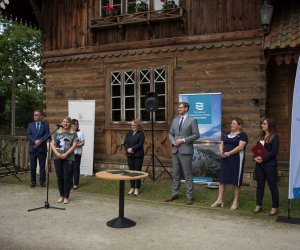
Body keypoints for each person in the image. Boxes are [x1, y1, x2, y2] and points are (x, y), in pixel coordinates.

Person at [165, 102, 200, 205]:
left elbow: (196, 135)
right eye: (178, 107)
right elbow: (170, 133)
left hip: (186, 151)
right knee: (176, 174)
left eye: (181, 107)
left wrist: (183, 140)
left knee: (187, 174)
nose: (179, 109)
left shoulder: (192, 120)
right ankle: (174, 193)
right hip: (175, 150)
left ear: (186, 108)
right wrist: (172, 141)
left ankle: (189, 196)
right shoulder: (175, 120)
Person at [211, 118, 248, 210]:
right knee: (223, 179)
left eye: (234, 124)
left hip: (236, 159)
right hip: (225, 158)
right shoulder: (227, 134)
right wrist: (222, 152)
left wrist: (228, 153)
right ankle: (219, 200)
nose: (231, 125)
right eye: (231, 123)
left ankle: (235, 202)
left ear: (239, 126)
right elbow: (221, 143)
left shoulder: (242, 135)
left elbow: (240, 147)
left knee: (236, 180)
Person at [253, 118, 279, 216]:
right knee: (260, 186)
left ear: (269, 125)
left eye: (264, 124)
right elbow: (256, 150)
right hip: (259, 166)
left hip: (270, 165)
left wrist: (263, 158)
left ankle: (274, 207)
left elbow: (273, 152)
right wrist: (255, 158)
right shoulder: (261, 136)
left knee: (272, 186)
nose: (262, 125)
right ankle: (258, 205)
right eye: (262, 124)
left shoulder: (275, 137)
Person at [50, 116, 77, 204]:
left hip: (68, 158)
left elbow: (74, 145)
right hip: (57, 157)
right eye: (64, 122)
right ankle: (61, 195)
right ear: (62, 123)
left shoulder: (73, 133)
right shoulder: (57, 132)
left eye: (67, 122)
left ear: (70, 124)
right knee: (59, 177)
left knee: (66, 177)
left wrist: (66, 154)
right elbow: (52, 144)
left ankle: (66, 196)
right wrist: (56, 153)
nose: (65, 123)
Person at [27, 110, 50, 188]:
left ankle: (42, 181)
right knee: (33, 166)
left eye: (37, 115)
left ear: (41, 116)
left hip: (42, 148)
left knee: (42, 166)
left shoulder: (45, 124)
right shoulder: (30, 125)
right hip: (32, 148)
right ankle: (33, 181)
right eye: (34, 115)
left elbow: (47, 134)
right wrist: (34, 141)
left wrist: (40, 141)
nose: (35, 116)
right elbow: (28, 135)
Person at [124, 119, 145, 196]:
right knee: (131, 172)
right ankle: (132, 187)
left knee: (137, 172)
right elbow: (125, 143)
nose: (132, 126)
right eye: (131, 125)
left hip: (138, 155)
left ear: (138, 126)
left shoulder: (141, 134)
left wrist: (132, 149)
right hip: (130, 155)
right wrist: (128, 149)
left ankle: (137, 188)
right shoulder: (129, 133)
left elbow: (140, 144)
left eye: (134, 125)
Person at [70, 119, 85, 189]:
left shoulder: (80, 132)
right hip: (69, 153)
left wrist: (75, 145)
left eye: (77, 124)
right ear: (71, 124)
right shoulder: (68, 132)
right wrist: (74, 145)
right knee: (70, 169)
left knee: (76, 168)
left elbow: (83, 143)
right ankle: (70, 183)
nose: (76, 125)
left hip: (77, 153)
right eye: (74, 124)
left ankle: (75, 184)